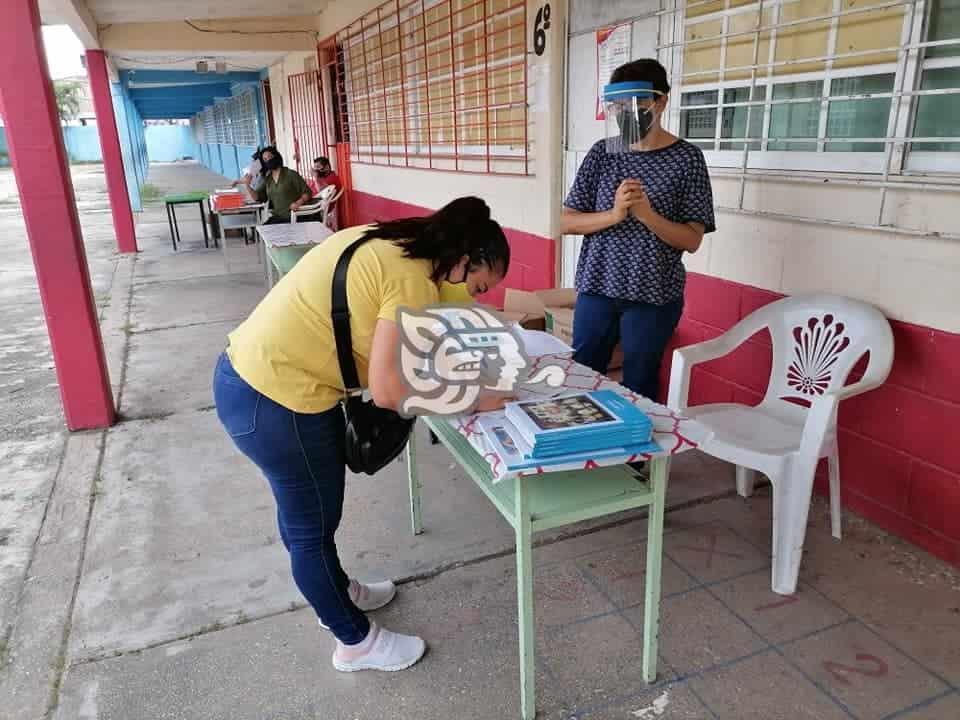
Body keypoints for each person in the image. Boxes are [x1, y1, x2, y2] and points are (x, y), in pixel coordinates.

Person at [213, 197, 512, 673]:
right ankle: (354, 642)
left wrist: (492, 331)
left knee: (311, 519)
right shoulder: (411, 278)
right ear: (461, 257)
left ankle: (338, 594)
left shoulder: (394, 241)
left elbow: (443, 305)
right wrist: (473, 399)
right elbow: (391, 391)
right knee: (310, 529)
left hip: (250, 380)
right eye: (477, 283)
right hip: (277, 401)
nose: (473, 294)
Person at [560, 58, 715, 402]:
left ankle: (635, 458)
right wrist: (614, 215)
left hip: (653, 295)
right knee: (582, 377)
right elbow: (566, 220)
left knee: (640, 383)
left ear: (661, 102)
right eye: (618, 107)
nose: (627, 114)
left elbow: (691, 240)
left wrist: (647, 215)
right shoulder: (604, 152)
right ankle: (581, 451)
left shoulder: (686, 158)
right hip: (598, 285)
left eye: (638, 105)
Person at [240, 146, 312, 224]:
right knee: (262, 231)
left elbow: (307, 192)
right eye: (265, 160)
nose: (268, 160)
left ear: (276, 156)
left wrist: (298, 203)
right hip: (279, 217)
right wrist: (247, 185)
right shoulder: (268, 179)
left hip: (295, 216)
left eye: (270, 157)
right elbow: (257, 197)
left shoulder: (290, 174)